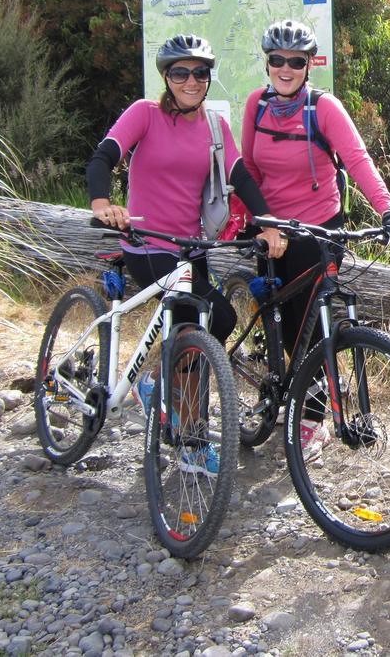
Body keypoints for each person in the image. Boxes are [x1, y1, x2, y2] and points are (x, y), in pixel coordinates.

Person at [87, 33, 285, 473]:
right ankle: (190, 439)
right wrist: (102, 203)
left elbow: (241, 178)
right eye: (181, 72)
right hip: (147, 244)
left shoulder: (214, 127)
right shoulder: (145, 114)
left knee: (219, 318)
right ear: (166, 76)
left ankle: (158, 386)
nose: (191, 81)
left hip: (189, 247)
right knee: (197, 316)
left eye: (200, 72)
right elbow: (103, 158)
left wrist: (269, 222)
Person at [241, 19, 390, 453]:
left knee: (314, 325)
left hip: (319, 230)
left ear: (307, 65)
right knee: (276, 318)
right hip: (271, 230)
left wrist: (388, 210)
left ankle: (313, 418)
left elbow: (357, 160)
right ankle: (276, 387)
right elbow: (248, 170)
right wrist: (257, 221)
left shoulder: (325, 108)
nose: (285, 68)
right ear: (267, 63)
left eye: (295, 61)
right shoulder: (256, 107)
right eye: (277, 60)